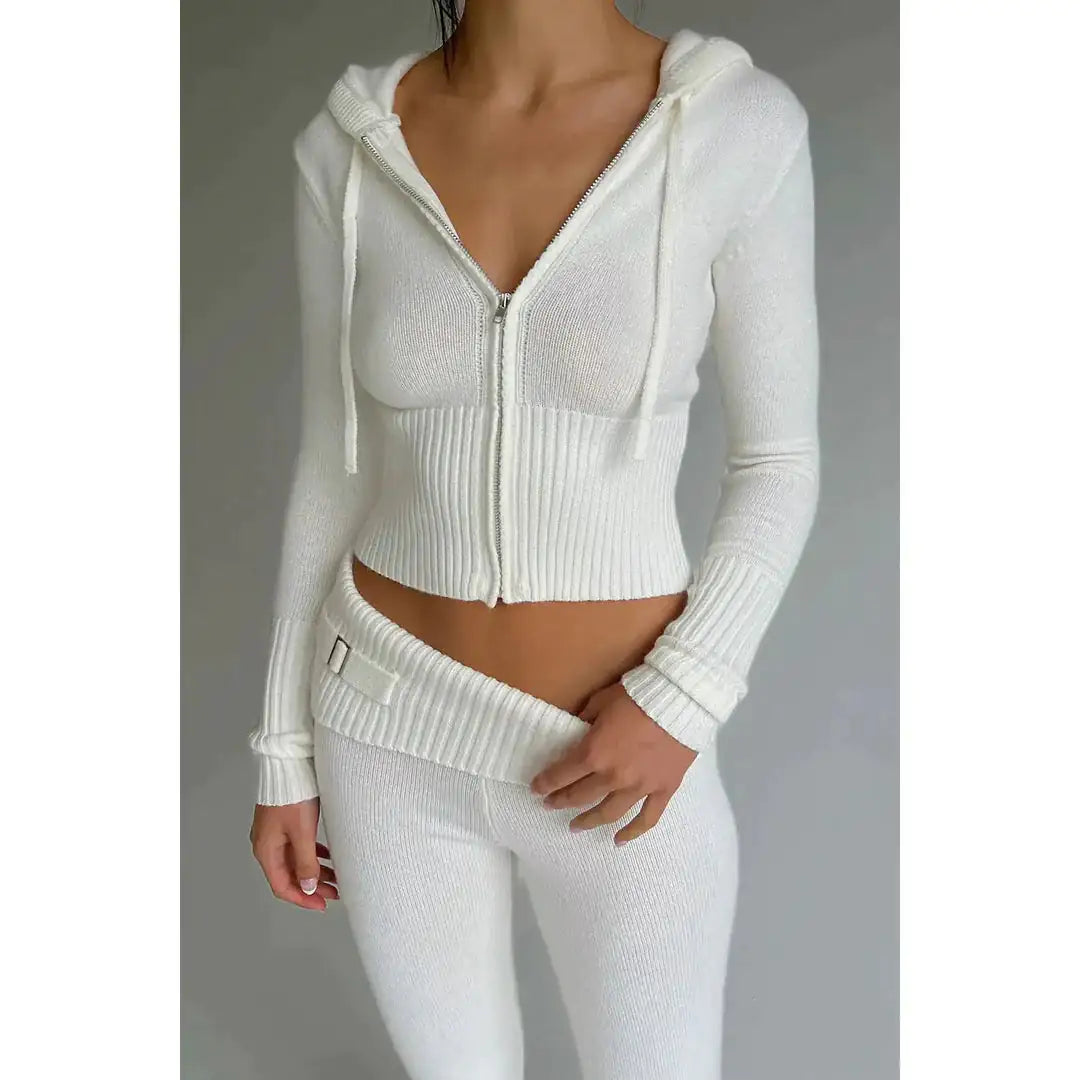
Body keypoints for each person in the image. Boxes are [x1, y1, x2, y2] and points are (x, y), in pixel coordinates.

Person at [247, 2, 820, 1078]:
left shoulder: (737, 126)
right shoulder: (347, 142)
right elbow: (335, 463)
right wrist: (282, 748)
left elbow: (777, 462)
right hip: (381, 720)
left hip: (610, 754)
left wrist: (683, 695)